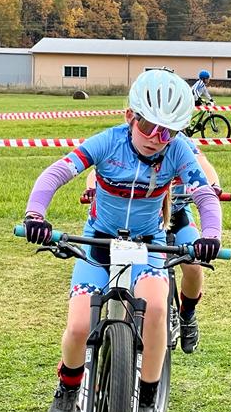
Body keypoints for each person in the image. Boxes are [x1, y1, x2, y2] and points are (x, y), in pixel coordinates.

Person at [21, 69, 223, 412]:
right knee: (79, 326)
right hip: (99, 240)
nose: (156, 137)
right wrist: (35, 214)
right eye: (148, 125)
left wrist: (211, 235)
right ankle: (68, 388)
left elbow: (204, 194)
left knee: (157, 307)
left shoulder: (177, 152)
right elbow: (56, 173)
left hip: (149, 243)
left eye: (168, 131)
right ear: (130, 115)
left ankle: (147, 402)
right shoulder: (108, 142)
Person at [80, 143, 223, 354]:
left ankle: (187, 314)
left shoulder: (182, 146)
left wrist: (213, 186)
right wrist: (92, 189)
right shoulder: (129, 146)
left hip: (176, 214)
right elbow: (98, 170)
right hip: (141, 218)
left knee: (193, 265)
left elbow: (203, 166)